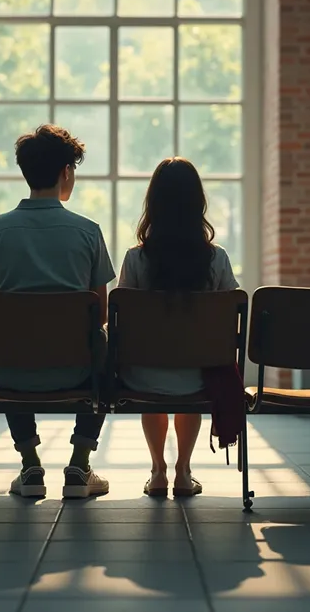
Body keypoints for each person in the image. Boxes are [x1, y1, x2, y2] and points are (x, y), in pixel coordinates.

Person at [0, 124, 115, 499]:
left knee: (6, 347)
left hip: (9, 376)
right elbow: (98, 313)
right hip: (77, 371)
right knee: (104, 346)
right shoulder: (88, 232)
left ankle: (30, 466)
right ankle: (80, 465)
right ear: (66, 171)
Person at [118, 157, 239, 498]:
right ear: (197, 203)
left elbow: (123, 318)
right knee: (190, 374)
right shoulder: (216, 259)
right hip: (199, 377)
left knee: (156, 386)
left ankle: (158, 470)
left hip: (143, 375)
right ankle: (183, 471)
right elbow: (230, 315)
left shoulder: (135, 259)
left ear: (152, 203)